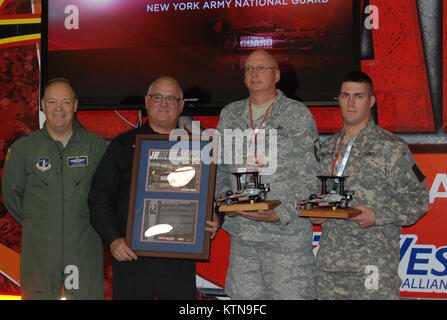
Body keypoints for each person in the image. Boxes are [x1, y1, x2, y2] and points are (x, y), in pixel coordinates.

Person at [88, 76, 219, 299]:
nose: (164, 103)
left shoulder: (197, 149)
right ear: (147, 101)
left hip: (178, 260)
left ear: (181, 105)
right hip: (131, 257)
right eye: (158, 97)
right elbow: (99, 197)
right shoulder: (122, 144)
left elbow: (213, 195)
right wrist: (113, 239)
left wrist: (215, 218)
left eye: (171, 98)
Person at [311, 71, 429, 299]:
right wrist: (314, 213)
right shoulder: (326, 149)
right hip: (330, 266)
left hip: (373, 264)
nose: (351, 103)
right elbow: (314, 195)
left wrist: (378, 216)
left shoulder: (392, 148)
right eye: (345, 96)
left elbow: (419, 200)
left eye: (359, 96)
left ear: (371, 100)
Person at [215, 50, 321, 299]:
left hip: (287, 239)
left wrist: (278, 214)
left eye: (262, 68)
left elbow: (311, 175)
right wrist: (226, 202)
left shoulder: (297, 115)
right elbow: (218, 169)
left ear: (277, 75)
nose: (255, 74)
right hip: (243, 238)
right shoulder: (230, 114)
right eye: (249, 69)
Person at [1, 78, 106, 299]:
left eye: (66, 102)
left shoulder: (95, 146)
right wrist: (41, 223)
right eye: (52, 102)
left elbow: (106, 196)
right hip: (39, 253)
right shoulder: (23, 149)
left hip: (82, 251)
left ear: (75, 105)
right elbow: (12, 197)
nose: (59, 109)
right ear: (42, 105)